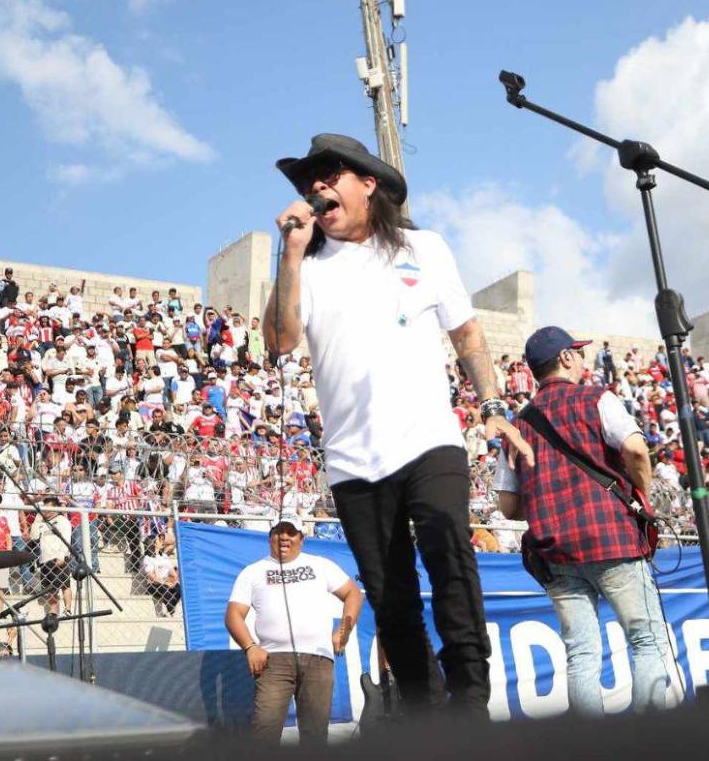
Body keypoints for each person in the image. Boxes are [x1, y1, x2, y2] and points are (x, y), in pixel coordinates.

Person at [264, 133, 532, 718]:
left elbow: (467, 333)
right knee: (391, 596)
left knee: (450, 555)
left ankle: (471, 703)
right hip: (353, 461)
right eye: (310, 181)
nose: (317, 187)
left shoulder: (423, 247)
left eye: (330, 174)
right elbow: (280, 342)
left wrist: (492, 405)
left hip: (429, 439)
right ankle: (426, 716)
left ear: (368, 183)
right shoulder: (307, 267)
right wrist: (289, 253)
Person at [496, 326, 670, 716]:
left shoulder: (516, 425)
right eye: (577, 352)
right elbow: (636, 450)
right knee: (647, 640)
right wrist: (641, 494)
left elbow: (508, 506)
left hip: (554, 551)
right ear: (566, 358)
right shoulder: (597, 398)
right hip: (611, 539)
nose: (581, 359)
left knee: (581, 653)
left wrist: (544, 499)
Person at [224, 517, 362, 746]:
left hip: (318, 659)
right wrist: (250, 646)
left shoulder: (321, 565)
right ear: (270, 537)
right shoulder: (252, 572)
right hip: (273, 662)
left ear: (302, 538)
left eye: (291, 532)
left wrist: (344, 631)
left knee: (315, 736)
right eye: (279, 532)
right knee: (263, 733)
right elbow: (233, 615)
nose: (284, 537)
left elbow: (353, 594)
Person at [30, 496, 73, 616]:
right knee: (50, 588)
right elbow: (34, 537)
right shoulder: (42, 522)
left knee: (65, 585)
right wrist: (37, 520)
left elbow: (66, 539)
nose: (45, 511)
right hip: (45, 559)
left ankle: (68, 609)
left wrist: (61, 556)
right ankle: (53, 612)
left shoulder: (63, 521)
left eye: (48, 509)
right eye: (44, 509)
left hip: (59, 557)